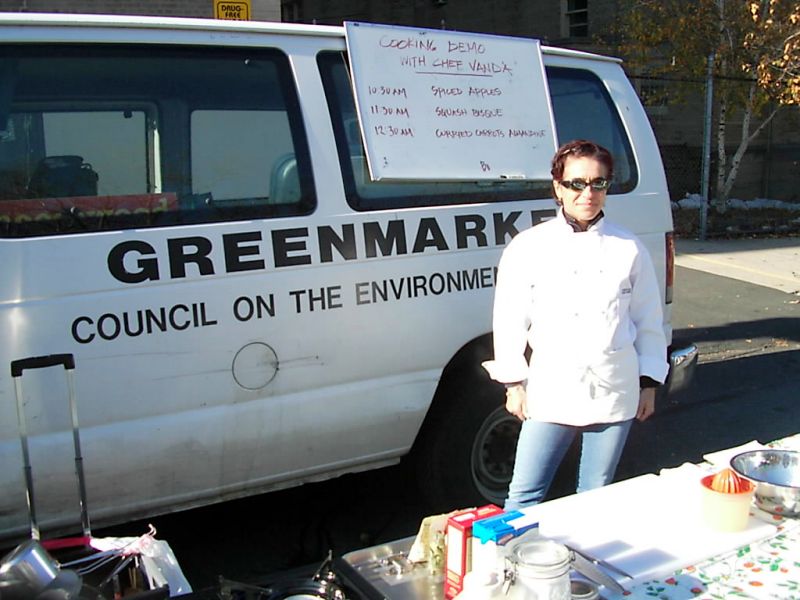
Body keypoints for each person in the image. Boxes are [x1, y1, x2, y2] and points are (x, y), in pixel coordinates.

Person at [482, 139, 669, 510]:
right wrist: (514, 383)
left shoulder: (628, 247)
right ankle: (510, 562)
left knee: (594, 496)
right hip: (552, 387)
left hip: (614, 387)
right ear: (558, 187)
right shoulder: (528, 246)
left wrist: (647, 383)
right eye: (577, 183)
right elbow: (509, 318)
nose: (588, 193)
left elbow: (649, 320)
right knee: (525, 494)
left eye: (598, 183)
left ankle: (582, 565)